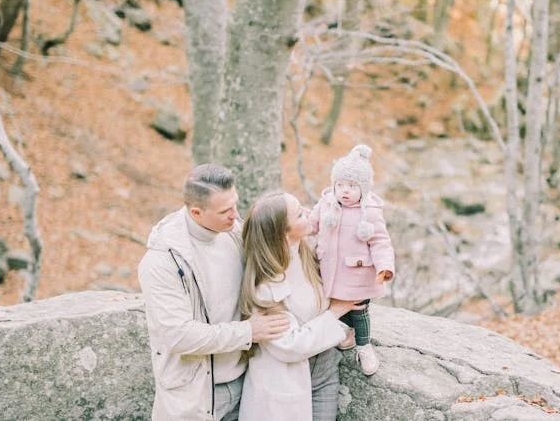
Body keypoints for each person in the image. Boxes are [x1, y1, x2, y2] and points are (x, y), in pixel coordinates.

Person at [138, 164, 291, 421]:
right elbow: (177, 336)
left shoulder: (233, 233)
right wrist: (248, 332)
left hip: (247, 382)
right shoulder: (162, 262)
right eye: (225, 211)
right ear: (196, 212)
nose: (235, 215)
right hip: (194, 395)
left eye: (235, 204)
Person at [238, 192, 363, 421]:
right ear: (284, 234)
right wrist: (336, 311)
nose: (308, 212)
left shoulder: (307, 253)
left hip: (325, 368)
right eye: (299, 214)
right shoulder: (264, 286)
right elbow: (290, 346)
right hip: (287, 378)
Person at [310, 144, 395, 376]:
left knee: (358, 308)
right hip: (329, 267)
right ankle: (345, 331)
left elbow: (380, 242)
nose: (344, 191)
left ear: (364, 188)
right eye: (340, 185)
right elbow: (311, 224)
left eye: (352, 186)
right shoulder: (326, 204)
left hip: (357, 271)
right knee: (334, 302)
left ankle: (364, 345)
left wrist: (385, 266)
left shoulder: (370, 212)